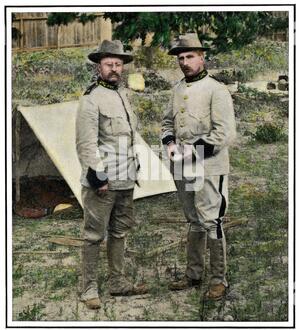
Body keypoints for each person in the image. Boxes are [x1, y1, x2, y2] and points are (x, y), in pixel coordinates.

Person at [162, 33, 236, 300]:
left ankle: (219, 280)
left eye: (190, 56)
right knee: (193, 219)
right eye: (180, 58)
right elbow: (167, 123)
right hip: (182, 165)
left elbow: (225, 134)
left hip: (208, 165)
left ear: (202, 57)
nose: (184, 62)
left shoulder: (216, 90)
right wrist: (170, 144)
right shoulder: (178, 89)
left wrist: (193, 154)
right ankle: (193, 274)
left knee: (211, 220)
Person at [76, 39, 147, 310]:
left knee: (119, 232)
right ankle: (89, 288)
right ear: (98, 66)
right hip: (103, 182)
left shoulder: (123, 95)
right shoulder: (91, 99)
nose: (114, 68)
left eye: (118, 64)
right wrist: (98, 177)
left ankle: (118, 282)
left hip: (126, 178)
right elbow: (85, 143)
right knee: (94, 235)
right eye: (109, 64)